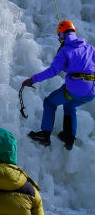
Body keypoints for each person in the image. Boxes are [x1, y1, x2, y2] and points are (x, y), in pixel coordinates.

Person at [23, 19, 95, 150]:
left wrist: (33, 79)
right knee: (69, 106)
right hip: (90, 93)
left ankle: (44, 135)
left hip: (74, 89)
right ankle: (69, 138)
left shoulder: (65, 50)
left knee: (49, 102)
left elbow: (53, 71)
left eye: (59, 36)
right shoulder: (90, 48)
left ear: (62, 35)